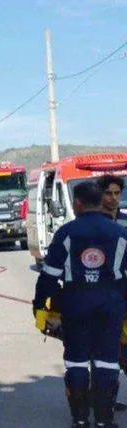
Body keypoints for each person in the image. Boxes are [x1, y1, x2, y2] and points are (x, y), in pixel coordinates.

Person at [33, 181, 127, 428]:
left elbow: (49, 276)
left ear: (77, 203)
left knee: (76, 362)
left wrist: (40, 305)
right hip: (111, 305)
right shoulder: (121, 233)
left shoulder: (66, 233)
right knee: (108, 362)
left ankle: (81, 419)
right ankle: (105, 421)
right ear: (101, 201)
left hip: (75, 304)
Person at [96, 175, 127, 413]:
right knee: (106, 353)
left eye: (117, 193)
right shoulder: (91, 223)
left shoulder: (126, 222)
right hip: (100, 296)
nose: (113, 198)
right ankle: (103, 401)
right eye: (109, 193)